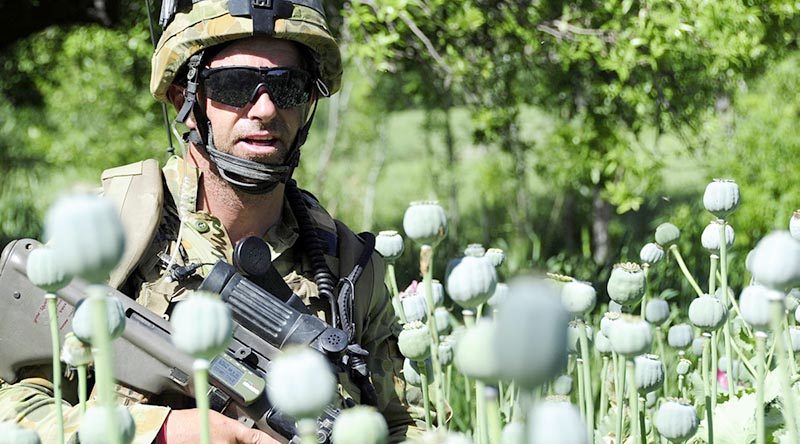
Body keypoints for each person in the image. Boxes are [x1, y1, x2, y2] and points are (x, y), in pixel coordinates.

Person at [0, 0, 420, 442]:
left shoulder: (350, 271)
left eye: (289, 87)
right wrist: (161, 432)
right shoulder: (115, 231)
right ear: (186, 97)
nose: (264, 109)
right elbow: (11, 404)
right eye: (236, 85)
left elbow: (406, 424)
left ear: (308, 103)